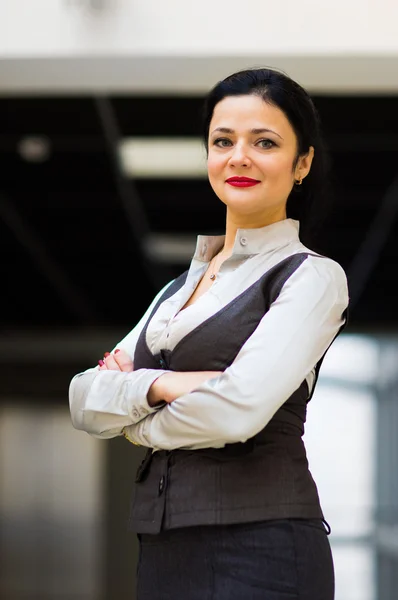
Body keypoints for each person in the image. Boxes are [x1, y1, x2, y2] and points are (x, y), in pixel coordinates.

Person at [69, 67, 349, 600]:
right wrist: (162, 387)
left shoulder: (311, 276)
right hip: (163, 550)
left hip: (261, 548)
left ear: (302, 163)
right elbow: (83, 397)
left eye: (264, 142)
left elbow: (237, 409)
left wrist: (132, 423)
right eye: (223, 141)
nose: (239, 156)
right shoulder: (179, 287)